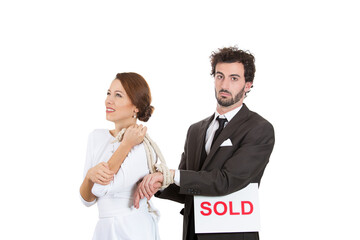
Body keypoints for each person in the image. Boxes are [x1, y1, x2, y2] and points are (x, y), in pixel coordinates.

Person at [134, 46, 275, 240]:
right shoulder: (195, 130)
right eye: (219, 76)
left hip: (232, 235)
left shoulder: (259, 129)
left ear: (248, 84)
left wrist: (172, 175)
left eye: (234, 78)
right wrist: (160, 183)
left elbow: (226, 181)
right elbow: (187, 188)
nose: (224, 85)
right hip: (193, 233)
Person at [79, 72, 160, 240]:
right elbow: (87, 199)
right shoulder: (96, 137)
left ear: (136, 106)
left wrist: (125, 145)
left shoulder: (143, 147)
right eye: (108, 93)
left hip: (132, 229)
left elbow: (100, 188)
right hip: (105, 229)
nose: (109, 100)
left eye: (118, 95)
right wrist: (89, 176)